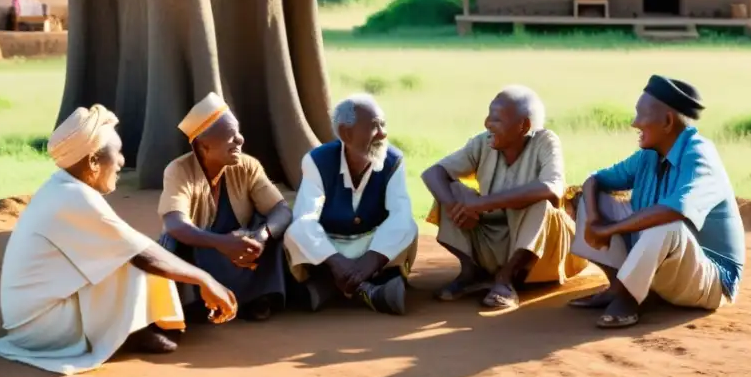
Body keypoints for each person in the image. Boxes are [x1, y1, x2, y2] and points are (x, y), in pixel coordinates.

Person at [0, 105, 236, 375]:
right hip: (42, 330)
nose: (121, 162)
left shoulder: (63, 187)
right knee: (134, 259)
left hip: (30, 322)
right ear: (93, 162)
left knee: (131, 250)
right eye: (116, 154)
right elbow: (143, 253)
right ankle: (134, 332)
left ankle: (140, 325)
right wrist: (205, 279)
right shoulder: (74, 198)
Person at [569, 75, 746, 329]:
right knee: (587, 198)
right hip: (667, 269)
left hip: (711, 282)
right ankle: (620, 287)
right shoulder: (649, 154)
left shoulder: (700, 156)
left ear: (667, 121)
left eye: (641, 114)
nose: (634, 123)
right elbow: (594, 180)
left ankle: (629, 298)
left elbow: (674, 211)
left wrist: (608, 229)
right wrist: (595, 219)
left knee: (666, 223)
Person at [421, 85, 586, 310]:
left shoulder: (546, 141)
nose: (487, 123)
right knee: (451, 191)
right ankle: (472, 272)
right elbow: (433, 173)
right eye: (489, 116)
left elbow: (553, 188)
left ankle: (505, 280)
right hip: (495, 237)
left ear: (524, 125)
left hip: (540, 250)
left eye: (496, 119)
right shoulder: (483, 142)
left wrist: (480, 204)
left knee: (541, 203)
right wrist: (456, 207)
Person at [158, 93, 293, 322]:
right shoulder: (178, 170)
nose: (239, 140)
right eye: (230, 136)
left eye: (238, 133)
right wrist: (222, 244)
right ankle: (200, 302)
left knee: (277, 229)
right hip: (205, 250)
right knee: (174, 242)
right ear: (203, 146)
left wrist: (261, 236)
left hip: (244, 248)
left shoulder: (248, 165)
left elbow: (281, 209)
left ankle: (257, 298)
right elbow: (174, 224)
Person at [285, 94, 417, 316]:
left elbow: (399, 216)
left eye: (383, 125)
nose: (383, 134)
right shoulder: (318, 160)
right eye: (374, 127)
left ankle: (329, 286)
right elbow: (306, 218)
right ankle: (368, 290)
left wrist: (369, 262)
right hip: (330, 247)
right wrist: (338, 263)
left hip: (372, 244)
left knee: (408, 226)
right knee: (297, 229)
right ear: (346, 133)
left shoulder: (394, 160)